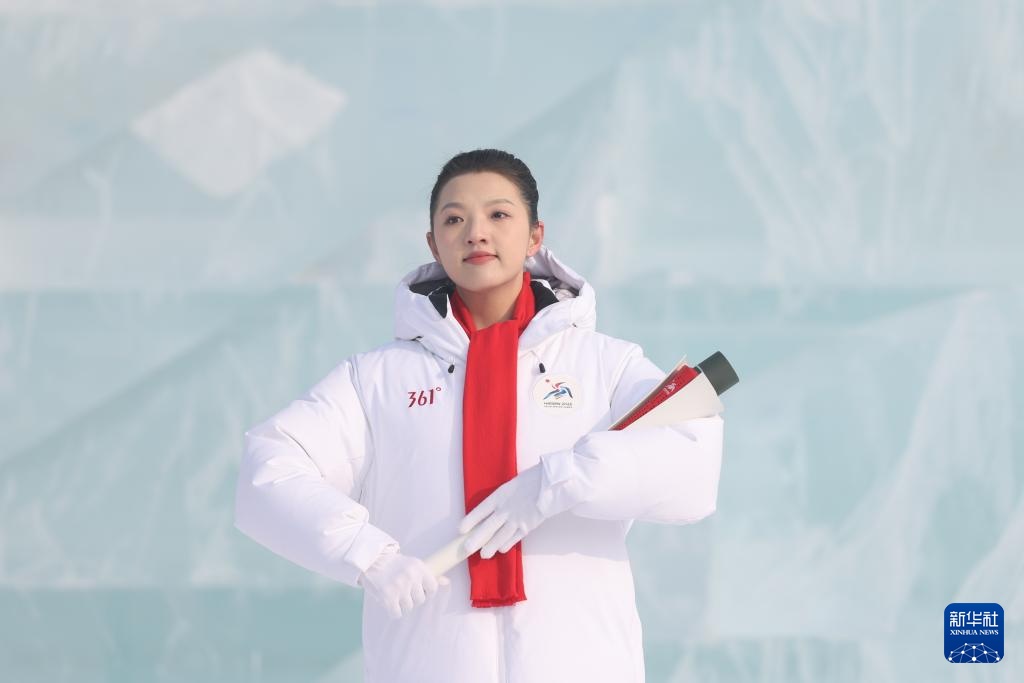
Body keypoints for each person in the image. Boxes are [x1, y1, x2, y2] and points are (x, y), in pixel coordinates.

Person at [233, 148, 725, 682]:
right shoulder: (377, 379)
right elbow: (270, 467)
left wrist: (558, 481)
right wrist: (367, 554)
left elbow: (692, 463)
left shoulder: (605, 365)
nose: (476, 233)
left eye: (498, 214)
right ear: (433, 244)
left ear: (535, 236)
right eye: (454, 219)